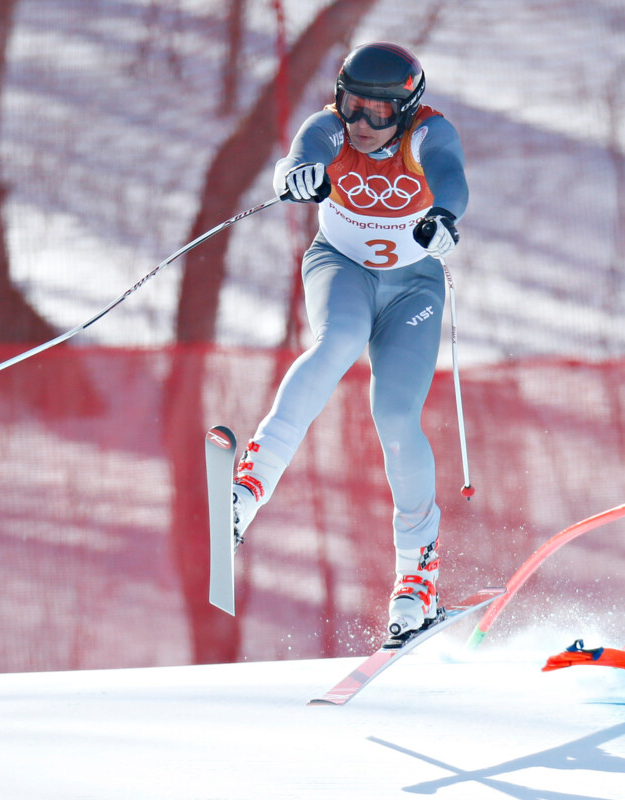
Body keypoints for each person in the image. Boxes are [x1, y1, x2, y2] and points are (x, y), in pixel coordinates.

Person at [231, 41, 468, 640]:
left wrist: (444, 215)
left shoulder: (427, 137)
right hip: (342, 267)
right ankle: (250, 484)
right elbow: (303, 152)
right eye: (353, 107)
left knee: (394, 416)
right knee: (339, 341)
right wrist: (298, 175)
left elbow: (451, 178)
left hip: (413, 289)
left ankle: (417, 573)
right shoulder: (331, 128)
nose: (362, 123)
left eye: (378, 113)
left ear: (407, 110)